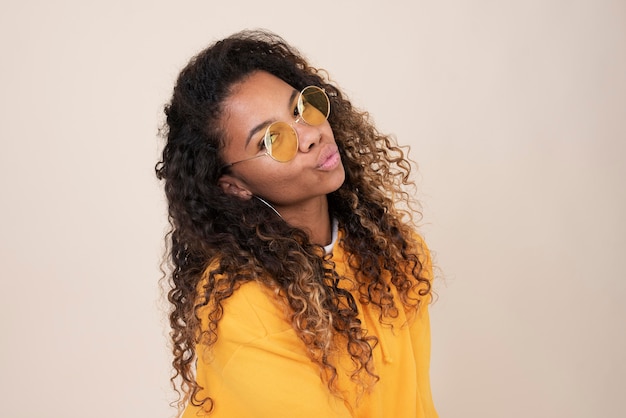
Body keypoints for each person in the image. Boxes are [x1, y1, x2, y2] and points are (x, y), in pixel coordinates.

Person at [156, 29, 438, 418]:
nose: (308, 135)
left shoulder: (392, 251)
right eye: (271, 140)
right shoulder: (244, 307)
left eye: (300, 107)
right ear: (234, 186)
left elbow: (417, 405)